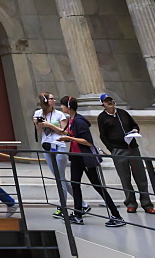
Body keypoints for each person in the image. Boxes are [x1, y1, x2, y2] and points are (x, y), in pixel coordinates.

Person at [58, 96, 126, 227]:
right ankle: (78, 214)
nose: (61, 107)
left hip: (85, 157)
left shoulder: (79, 121)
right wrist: (68, 138)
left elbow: (88, 141)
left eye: (62, 105)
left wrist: (70, 139)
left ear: (68, 107)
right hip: (76, 157)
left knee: (97, 185)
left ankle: (116, 215)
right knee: (75, 184)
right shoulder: (71, 120)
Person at [97, 94, 155, 214]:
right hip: (118, 150)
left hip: (132, 148)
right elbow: (103, 135)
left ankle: (146, 203)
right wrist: (112, 149)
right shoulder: (102, 117)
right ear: (103, 104)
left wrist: (135, 130)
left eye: (111, 100)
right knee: (125, 177)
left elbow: (135, 125)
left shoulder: (123, 113)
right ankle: (131, 203)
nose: (110, 102)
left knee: (141, 177)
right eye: (107, 101)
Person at [33, 91, 71, 219]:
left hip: (59, 146)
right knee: (60, 177)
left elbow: (63, 132)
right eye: (51, 99)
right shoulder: (38, 113)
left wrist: (48, 125)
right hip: (46, 145)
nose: (54, 101)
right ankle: (81, 203)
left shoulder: (60, 114)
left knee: (60, 179)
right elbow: (39, 132)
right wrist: (38, 124)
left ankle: (62, 207)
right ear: (45, 101)